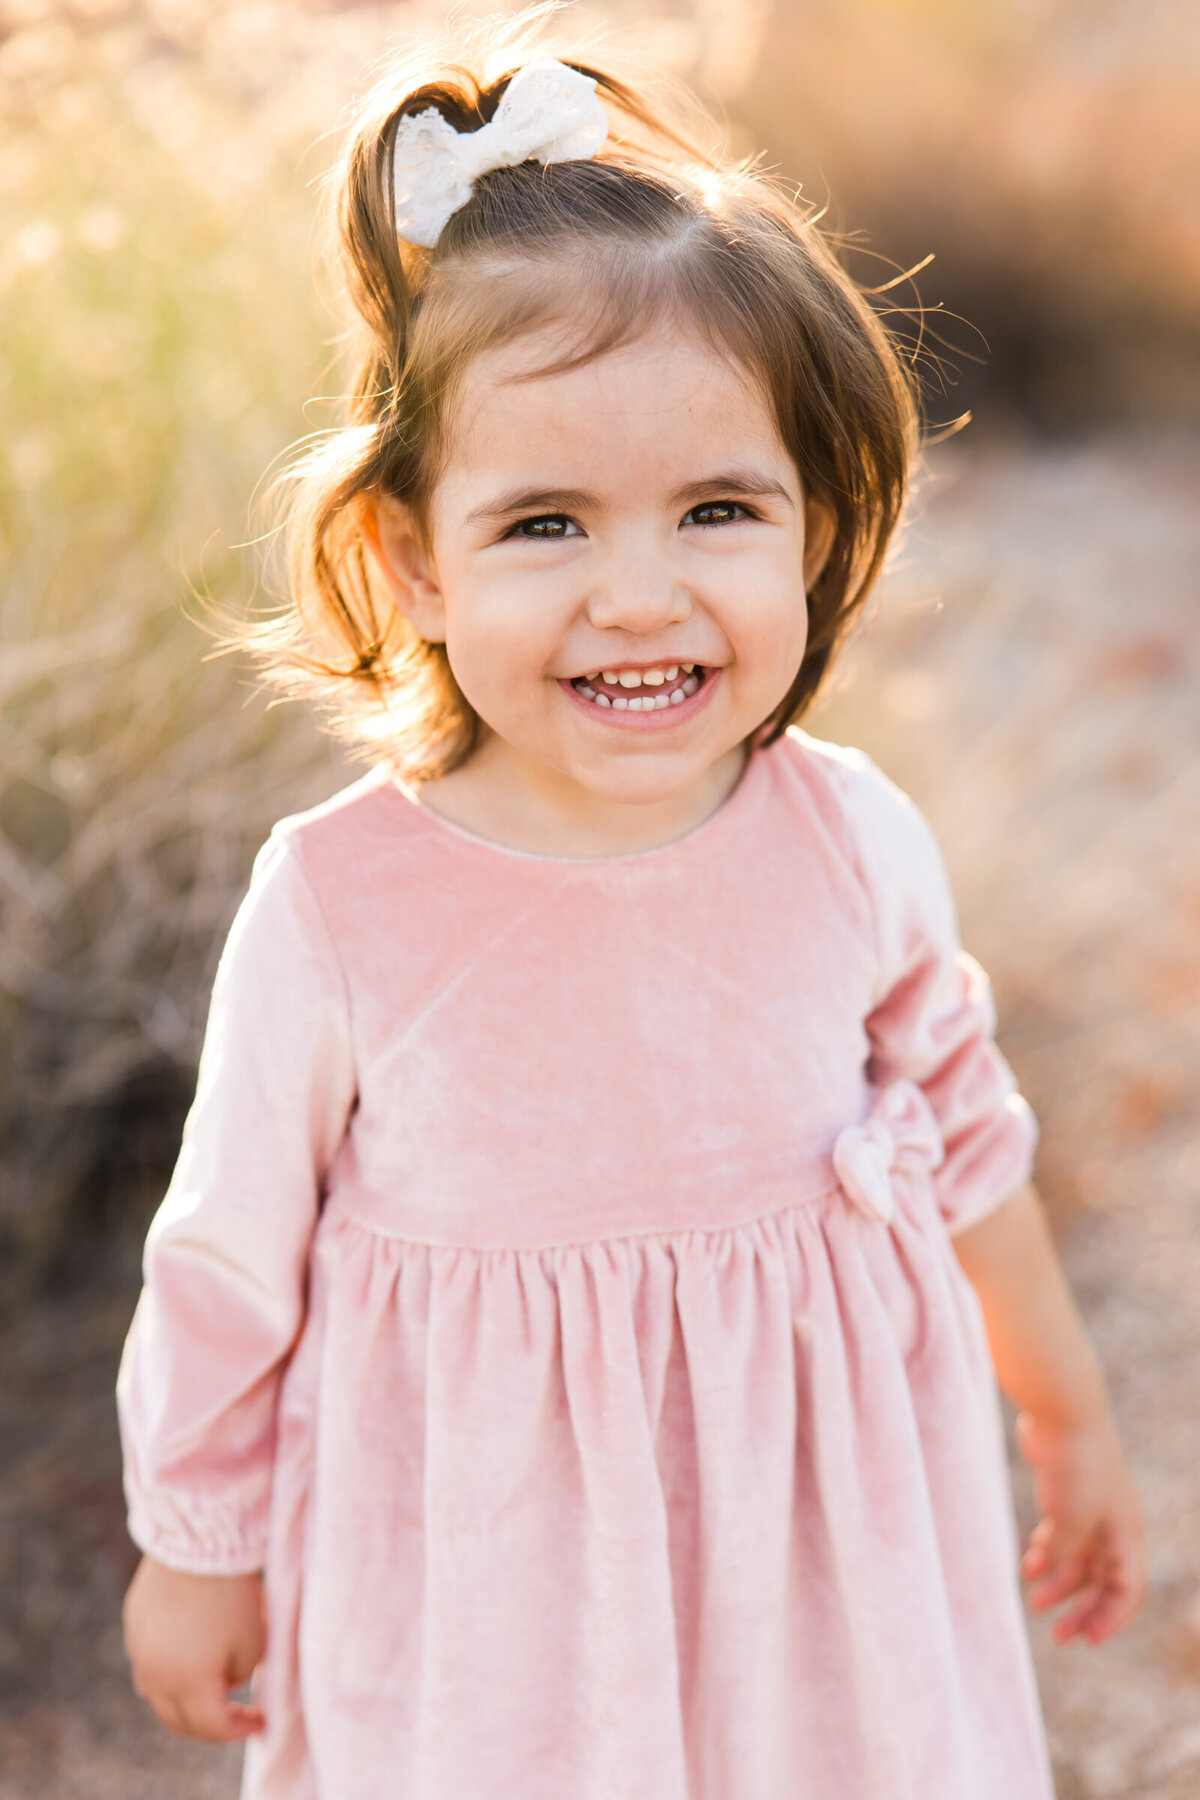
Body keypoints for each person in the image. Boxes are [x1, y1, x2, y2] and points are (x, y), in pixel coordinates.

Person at [117, 18, 1146, 1799]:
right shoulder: (346, 904)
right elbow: (226, 1259)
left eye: (717, 509)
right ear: (411, 561)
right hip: (493, 1589)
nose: (641, 596)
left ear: (817, 531)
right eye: (546, 526)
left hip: (814, 1556)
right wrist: (197, 1541)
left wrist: (1063, 1414)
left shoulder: (847, 837)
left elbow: (967, 1135)